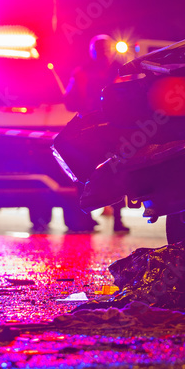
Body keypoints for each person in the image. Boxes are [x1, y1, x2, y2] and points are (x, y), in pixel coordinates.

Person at [64, 34, 130, 232]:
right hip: (101, 129)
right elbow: (70, 101)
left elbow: (69, 100)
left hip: (106, 129)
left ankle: (109, 218)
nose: (103, 54)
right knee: (96, 172)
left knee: (109, 171)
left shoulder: (118, 72)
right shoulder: (85, 73)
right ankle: (95, 218)